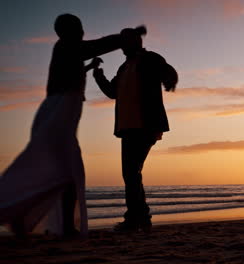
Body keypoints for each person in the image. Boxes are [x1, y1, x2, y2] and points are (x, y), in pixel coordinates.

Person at [0, 14, 146, 238]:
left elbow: (74, 66)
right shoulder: (67, 46)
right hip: (58, 114)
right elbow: (93, 47)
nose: (81, 30)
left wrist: (89, 67)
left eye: (80, 26)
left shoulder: (67, 50)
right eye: (76, 27)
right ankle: (50, 222)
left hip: (57, 114)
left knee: (57, 168)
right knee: (64, 169)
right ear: (65, 31)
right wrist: (122, 38)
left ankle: (26, 216)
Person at [93, 28, 178, 233]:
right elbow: (112, 92)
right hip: (127, 127)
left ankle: (135, 219)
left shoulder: (150, 58)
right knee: (131, 173)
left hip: (146, 125)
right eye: (123, 42)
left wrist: (169, 79)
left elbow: (166, 69)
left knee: (131, 172)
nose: (125, 45)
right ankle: (141, 217)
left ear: (138, 42)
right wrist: (98, 75)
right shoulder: (123, 68)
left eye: (129, 40)